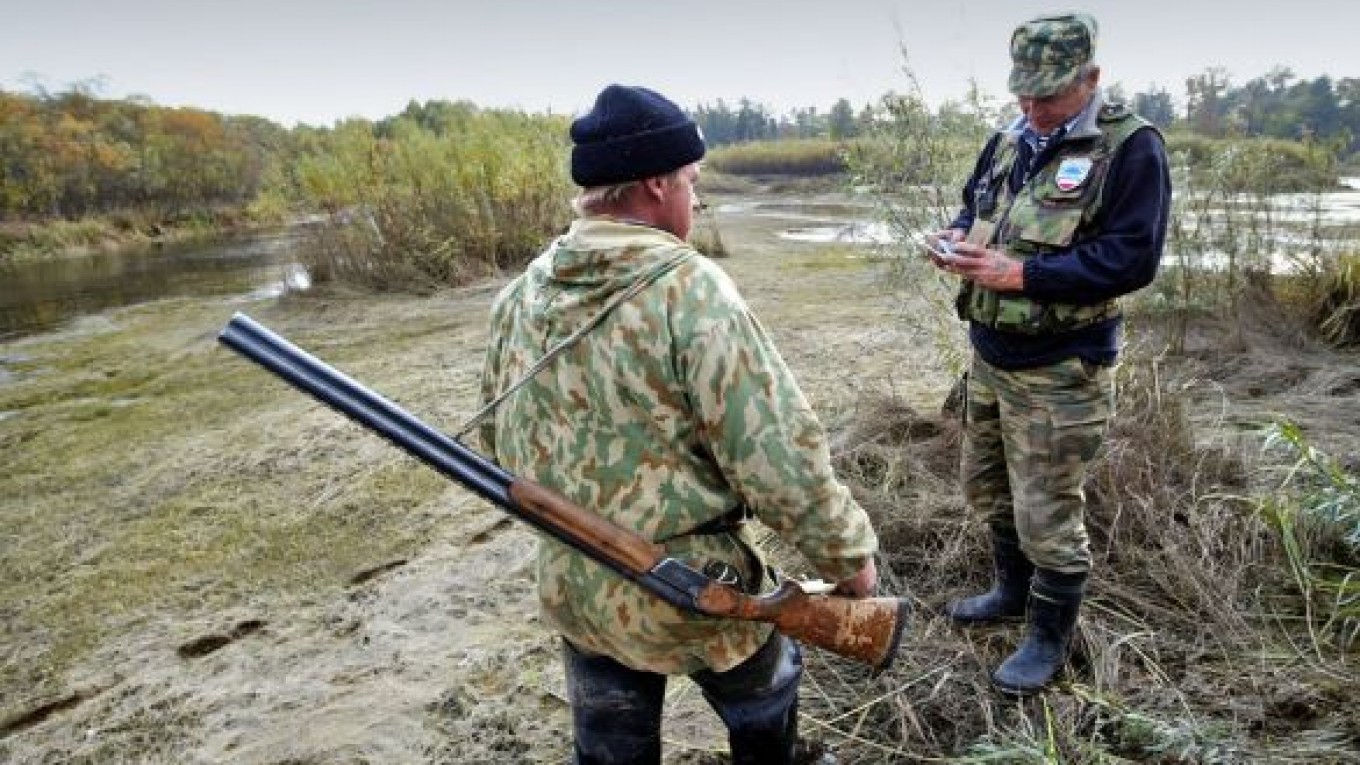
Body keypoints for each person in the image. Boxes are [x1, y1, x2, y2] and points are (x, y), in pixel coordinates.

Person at [478, 84, 881, 764]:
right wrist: (850, 562)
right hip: (697, 588)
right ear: (656, 184)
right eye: (691, 182)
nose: (695, 198)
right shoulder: (693, 291)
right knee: (766, 705)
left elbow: (499, 442)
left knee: (608, 744)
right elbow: (779, 458)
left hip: (578, 581)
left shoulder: (521, 293)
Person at [927, 13, 1171, 697]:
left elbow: (1133, 257)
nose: (1031, 109)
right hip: (989, 354)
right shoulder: (1009, 138)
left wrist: (1024, 276)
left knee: (1049, 513)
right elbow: (973, 208)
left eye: (1048, 96)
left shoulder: (1130, 146)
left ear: (1091, 78)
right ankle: (1009, 591)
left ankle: (1048, 635)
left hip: (1062, 366)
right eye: (1023, 93)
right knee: (987, 486)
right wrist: (951, 241)